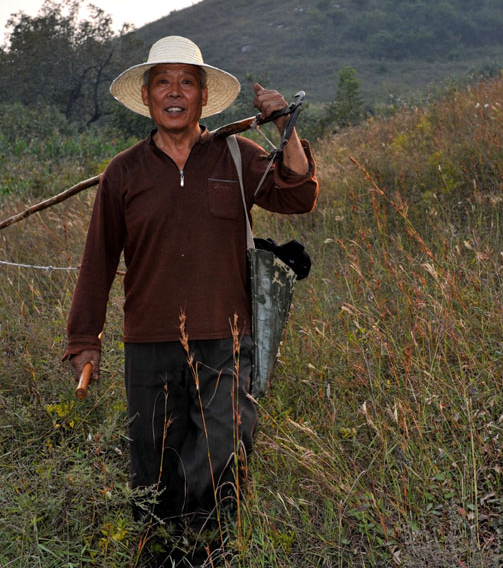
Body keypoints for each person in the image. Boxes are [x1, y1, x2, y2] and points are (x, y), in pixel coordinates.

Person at [63, 35, 318, 527]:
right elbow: (97, 261)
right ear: (146, 96)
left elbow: (299, 194)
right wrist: (83, 340)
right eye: (163, 82)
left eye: (186, 83)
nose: (174, 92)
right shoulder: (123, 173)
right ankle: (159, 551)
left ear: (204, 97)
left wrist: (286, 122)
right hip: (148, 344)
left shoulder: (236, 156)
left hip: (226, 339)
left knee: (224, 453)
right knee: (153, 469)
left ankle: (208, 550)